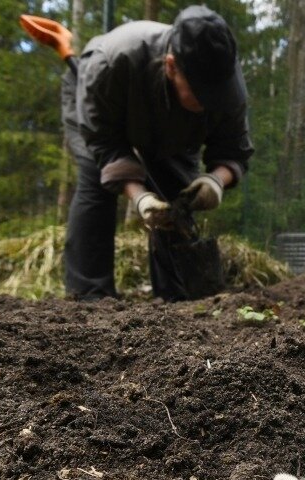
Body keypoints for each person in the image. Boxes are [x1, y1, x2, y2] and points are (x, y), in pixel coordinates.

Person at [61, 5, 254, 301]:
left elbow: (234, 149)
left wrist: (216, 180)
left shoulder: (225, 81)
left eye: (218, 93)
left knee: (178, 199)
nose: (212, 101)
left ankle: (178, 297)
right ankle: (89, 299)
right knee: (96, 182)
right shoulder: (111, 62)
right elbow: (104, 144)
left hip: (171, 129)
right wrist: (138, 196)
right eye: (202, 93)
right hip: (102, 105)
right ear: (171, 66)